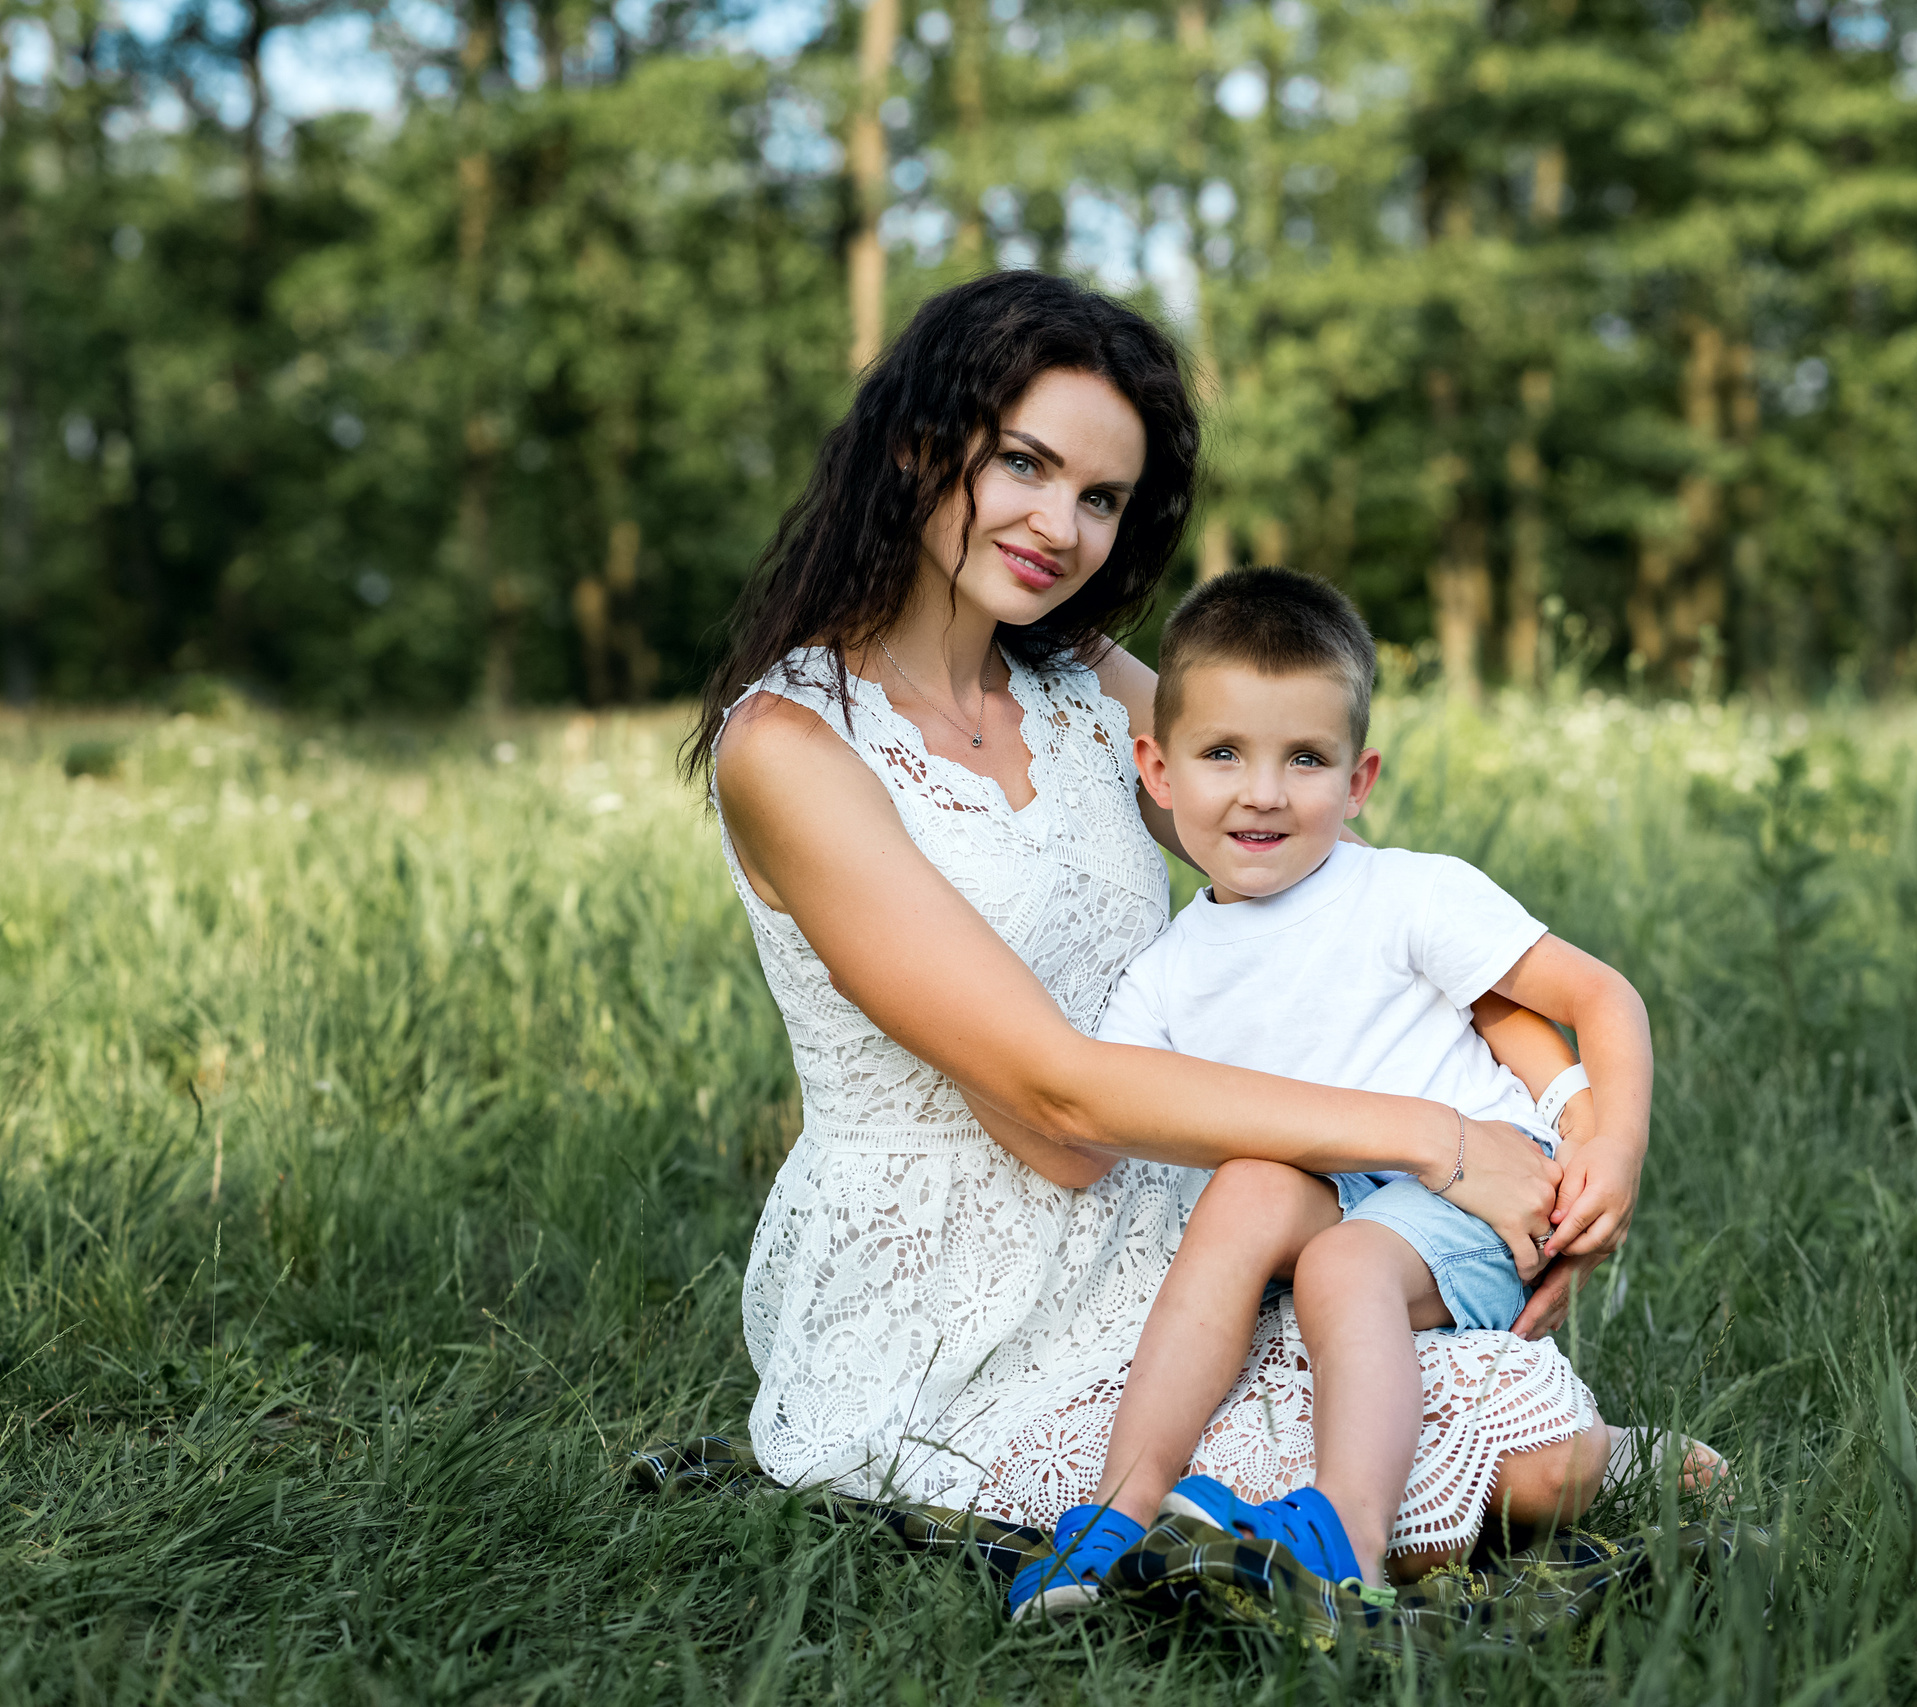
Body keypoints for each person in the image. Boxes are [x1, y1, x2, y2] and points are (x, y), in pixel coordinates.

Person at [693, 271, 1644, 1603]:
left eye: (1101, 497)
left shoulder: (1085, 682)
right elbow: (1055, 1098)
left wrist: (1572, 1121)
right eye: (1023, 463)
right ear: (919, 444)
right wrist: (1437, 1137)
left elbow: (1355, 905)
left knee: (1509, 1435)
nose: (1058, 526)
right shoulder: (793, 746)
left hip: (1183, 1204)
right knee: (1511, 1468)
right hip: (959, 1282)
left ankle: (1494, 1462)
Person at [1002, 568, 1699, 1618]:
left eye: (1306, 759)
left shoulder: (1407, 892)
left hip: (1476, 1194)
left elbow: (1601, 996)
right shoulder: (1167, 972)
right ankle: (1116, 1513)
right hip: (1340, 1189)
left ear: (1359, 777)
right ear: (1157, 766)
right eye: (1223, 753)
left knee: (1341, 1266)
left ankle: (1346, 1539)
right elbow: (1104, 1121)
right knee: (1243, 1192)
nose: (1263, 792)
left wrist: (1615, 1142)